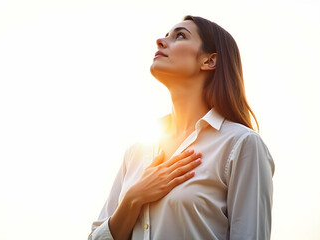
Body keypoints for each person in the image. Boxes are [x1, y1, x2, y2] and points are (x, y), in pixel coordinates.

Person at [88, 15, 275, 240]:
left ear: (209, 61)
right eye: (166, 35)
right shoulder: (136, 153)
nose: (160, 41)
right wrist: (133, 199)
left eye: (179, 36)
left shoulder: (241, 145)